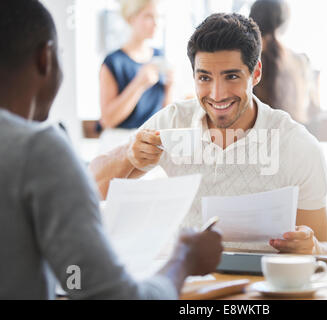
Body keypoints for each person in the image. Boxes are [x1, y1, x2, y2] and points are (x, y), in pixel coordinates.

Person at [0, 0, 222, 300]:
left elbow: (74, 276)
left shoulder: (160, 61)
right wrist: (183, 258)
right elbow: (109, 295)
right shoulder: (38, 150)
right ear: (46, 58)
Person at [89, 13, 327, 255]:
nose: (217, 94)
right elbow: (90, 187)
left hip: (262, 286)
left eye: (231, 76)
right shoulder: (174, 121)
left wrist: (311, 247)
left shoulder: (297, 145)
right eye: (204, 77)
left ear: (255, 73)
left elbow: (325, 247)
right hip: (187, 281)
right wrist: (127, 154)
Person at [97, 0, 173, 149]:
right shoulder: (113, 62)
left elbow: (166, 116)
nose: (156, 23)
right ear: (132, 19)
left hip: (153, 142)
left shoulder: (160, 57)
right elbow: (108, 120)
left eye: (158, 17)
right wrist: (139, 84)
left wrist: (170, 87)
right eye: (149, 16)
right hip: (119, 143)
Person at [249, 0, 320, 124]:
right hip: (295, 136)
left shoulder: (246, 61)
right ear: (284, 23)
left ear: (252, 19)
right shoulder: (300, 62)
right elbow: (314, 110)